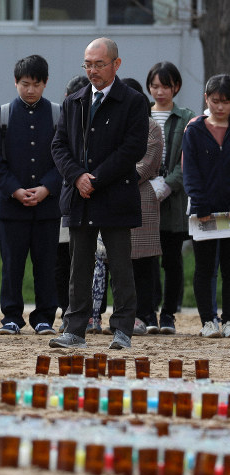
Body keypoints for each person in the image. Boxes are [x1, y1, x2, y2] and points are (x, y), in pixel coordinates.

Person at [49, 37, 148, 350]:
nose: (92, 70)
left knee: (120, 265)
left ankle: (121, 330)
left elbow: (133, 147)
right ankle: (74, 329)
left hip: (115, 193)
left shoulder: (132, 101)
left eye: (99, 64)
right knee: (79, 265)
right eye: (88, 64)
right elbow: (59, 145)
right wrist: (78, 176)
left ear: (116, 64)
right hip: (80, 196)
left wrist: (97, 178)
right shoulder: (73, 101)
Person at [0, 55, 61, 336]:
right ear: (15, 82)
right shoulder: (1, 115)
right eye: (24, 84)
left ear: (45, 83)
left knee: (46, 265)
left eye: (35, 84)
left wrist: (46, 187)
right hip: (12, 205)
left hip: (48, 206)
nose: (30, 90)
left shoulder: (58, 114)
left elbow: (64, 159)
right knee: (12, 265)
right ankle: (11, 316)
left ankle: (44, 317)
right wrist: (15, 190)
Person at [146, 61, 196, 334]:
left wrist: (168, 184)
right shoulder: (141, 115)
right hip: (145, 198)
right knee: (147, 258)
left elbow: (187, 159)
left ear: (176, 86)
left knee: (172, 258)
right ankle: (149, 312)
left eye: (165, 86)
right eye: (155, 85)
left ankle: (169, 314)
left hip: (174, 200)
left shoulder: (187, 117)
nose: (160, 91)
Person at [182, 74, 230, 337]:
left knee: (229, 268)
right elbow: (190, 170)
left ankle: (229, 318)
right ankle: (208, 320)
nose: (220, 107)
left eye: (225, 101)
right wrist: (200, 205)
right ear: (206, 99)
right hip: (204, 211)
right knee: (205, 267)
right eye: (215, 101)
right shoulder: (195, 129)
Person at [122, 77, 164, 336]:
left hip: (142, 198)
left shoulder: (151, 127)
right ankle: (126, 313)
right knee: (121, 260)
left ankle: (147, 313)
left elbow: (149, 162)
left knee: (145, 261)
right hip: (116, 198)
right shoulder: (117, 124)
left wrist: (118, 179)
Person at [55, 75, 90, 333]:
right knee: (62, 261)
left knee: (85, 262)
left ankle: (87, 314)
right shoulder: (62, 120)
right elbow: (55, 153)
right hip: (62, 201)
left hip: (90, 199)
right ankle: (66, 311)